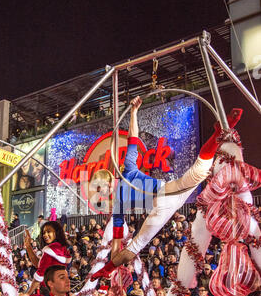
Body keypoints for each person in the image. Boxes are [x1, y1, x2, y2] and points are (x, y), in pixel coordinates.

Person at [91, 95, 225, 281]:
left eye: (100, 188)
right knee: (199, 171)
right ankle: (217, 136)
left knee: (198, 172)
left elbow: (133, 138)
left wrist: (134, 112)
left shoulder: (127, 170)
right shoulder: (118, 205)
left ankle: (218, 135)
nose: (101, 194)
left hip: (165, 194)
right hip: (167, 199)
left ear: (107, 181)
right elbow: (115, 242)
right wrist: (113, 262)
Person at [22, 220, 72, 296]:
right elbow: (39, 264)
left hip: (50, 294)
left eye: (49, 231)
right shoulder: (59, 248)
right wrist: (28, 246)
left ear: (56, 232)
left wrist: (27, 293)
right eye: (44, 232)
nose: (45, 235)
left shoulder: (50, 251)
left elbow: (40, 274)